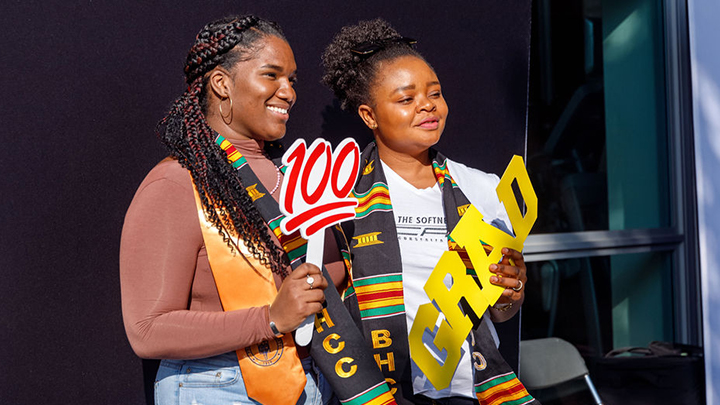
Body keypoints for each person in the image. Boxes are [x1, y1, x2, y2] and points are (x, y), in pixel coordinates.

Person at [120, 15, 344, 405]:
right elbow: (147, 329)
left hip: (314, 382)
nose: (288, 92)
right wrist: (270, 318)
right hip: (218, 385)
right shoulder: (177, 182)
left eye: (292, 80)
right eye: (271, 75)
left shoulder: (297, 176)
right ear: (222, 83)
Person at [321, 19, 539, 405]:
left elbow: (501, 313)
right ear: (369, 116)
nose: (427, 106)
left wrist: (512, 289)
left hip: (469, 388)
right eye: (406, 99)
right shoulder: (340, 193)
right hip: (376, 391)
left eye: (434, 94)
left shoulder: (482, 188)